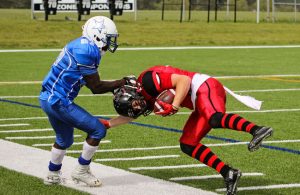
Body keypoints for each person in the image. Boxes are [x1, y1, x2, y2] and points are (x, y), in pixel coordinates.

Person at [100, 65, 274, 195]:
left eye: (135, 104)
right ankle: (229, 173)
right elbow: (131, 116)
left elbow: (184, 80)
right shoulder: (142, 99)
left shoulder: (148, 80)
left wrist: (175, 105)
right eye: (134, 108)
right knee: (187, 144)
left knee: (215, 119)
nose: (138, 108)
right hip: (197, 101)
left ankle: (257, 130)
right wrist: (108, 124)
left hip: (204, 86)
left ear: (133, 93)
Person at [39, 16, 136, 187]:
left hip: (47, 98)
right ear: (97, 36)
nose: (110, 43)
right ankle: (81, 171)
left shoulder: (81, 44)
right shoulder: (87, 51)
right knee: (98, 130)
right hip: (59, 100)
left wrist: (115, 86)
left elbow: (84, 79)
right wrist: (121, 82)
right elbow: (96, 87)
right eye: (108, 39)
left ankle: (52, 174)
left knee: (64, 140)